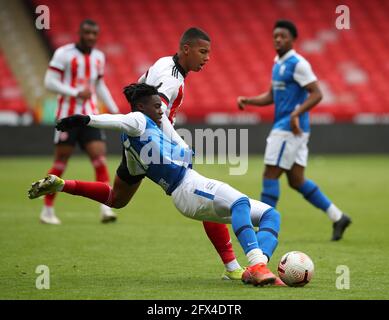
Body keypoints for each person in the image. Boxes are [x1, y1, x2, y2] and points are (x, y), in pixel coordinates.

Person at [28, 83, 284, 286]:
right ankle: (256, 265)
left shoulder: (143, 144)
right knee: (238, 202)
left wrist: (67, 186)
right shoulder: (139, 121)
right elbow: (118, 121)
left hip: (192, 187)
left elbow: (116, 196)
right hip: (185, 188)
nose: (161, 110)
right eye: (156, 105)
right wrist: (85, 119)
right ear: (140, 106)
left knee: (270, 215)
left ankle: (252, 266)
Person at [134, 27, 243, 280]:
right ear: (186, 49)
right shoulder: (171, 79)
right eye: (203, 52)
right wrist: (179, 145)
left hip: (137, 140)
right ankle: (233, 268)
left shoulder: (165, 63)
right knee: (206, 196)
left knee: (117, 198)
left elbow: (139, 90)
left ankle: (62, 186)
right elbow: (155, 112)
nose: (207, 58)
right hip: (153, 144)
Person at [237, 20, 351, 241]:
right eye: (275, 36)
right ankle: (338, 217)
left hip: (288, 128)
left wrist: (296, 113)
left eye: (283, 36)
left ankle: (264, 229)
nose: (278, 40)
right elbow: (271, 96)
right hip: (290, 128)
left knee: (270, 175)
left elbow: (317, 93)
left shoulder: (298, 64)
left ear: (292, 39)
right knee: (296, 180)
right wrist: (249, 100)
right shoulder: (277, 62)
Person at [41, 19, 119, 224]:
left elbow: (99, 85)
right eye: (87, 33)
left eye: (94, 34)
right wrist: (75, 92)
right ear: (80, 33)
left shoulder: (98, 57)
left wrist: (114, 110)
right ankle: (47, 210)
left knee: (99, 159)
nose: (91, 37)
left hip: (89, 117)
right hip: (67, 117)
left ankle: (105, 207)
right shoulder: (64, 54)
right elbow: (49, 81)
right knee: (60, 162)